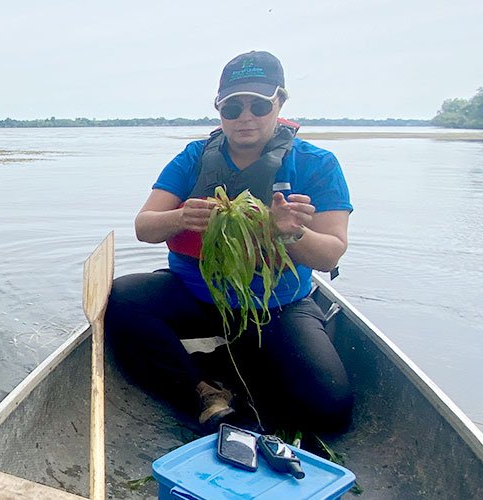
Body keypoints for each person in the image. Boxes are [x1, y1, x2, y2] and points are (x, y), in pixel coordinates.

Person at [106, 51, 353, 433]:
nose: (245, 117)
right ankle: (202, 390)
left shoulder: (316, 164)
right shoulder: (193, 158)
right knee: (122, 298)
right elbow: (145, 227)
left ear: (280, 103)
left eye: (259, 104)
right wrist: (179, 216)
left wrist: (289, 233)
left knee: (329, 411)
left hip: (278, 306)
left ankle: (239, 364)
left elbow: (331, 252)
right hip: (199, 297)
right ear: (219, 109)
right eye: (233, 107)